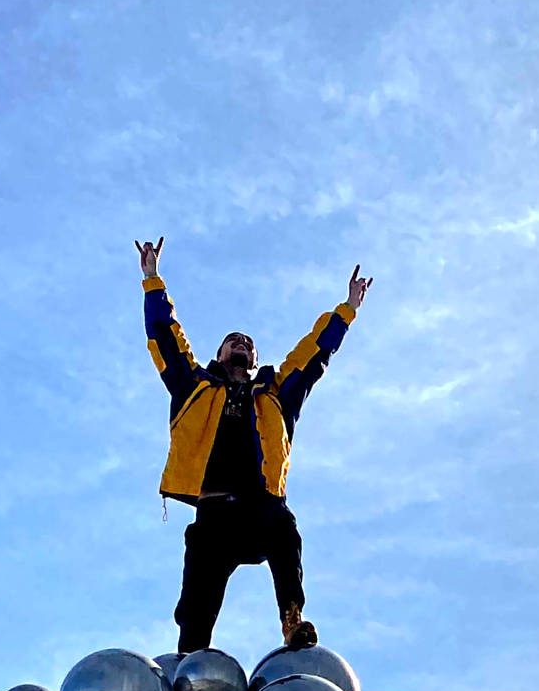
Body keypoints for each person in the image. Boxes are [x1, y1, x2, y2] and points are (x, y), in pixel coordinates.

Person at [136, 237, 370, 654]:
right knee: (197, 601)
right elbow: (165, 339)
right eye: (232, 340)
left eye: (248, 342)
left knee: (283, 529)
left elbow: (313, 354)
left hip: (258, 506)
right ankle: (189, 660)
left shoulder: (276, 393)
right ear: (220, 353)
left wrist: (346, 311)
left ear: (255, 356)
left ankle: (291, 619)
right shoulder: (193, 387)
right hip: (214, 510)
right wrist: (152, 280)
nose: (241, 344)